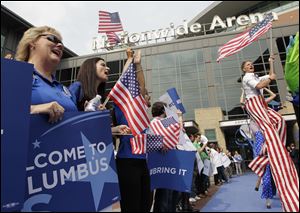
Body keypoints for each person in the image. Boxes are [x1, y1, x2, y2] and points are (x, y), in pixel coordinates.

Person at [241, 58, 299, 212]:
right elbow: (260, 85)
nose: (250, 65)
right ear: (244, 69)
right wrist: (269, 80)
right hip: (254, 104)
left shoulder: (254, 76)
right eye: (247, 65)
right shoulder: (247, 78)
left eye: (250, 64)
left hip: (261, 103)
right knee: (270, 130)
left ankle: (271, 151)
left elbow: (268, 77)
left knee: (279, 121)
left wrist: (270, 63)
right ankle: (271, 152)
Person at [112, 48, 153, 212]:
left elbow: (142, 87)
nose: (145, 96)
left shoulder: (142, 113)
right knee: (131, 206)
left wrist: (138, 64)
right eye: (143, 95)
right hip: (127, 161)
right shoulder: (124, 105)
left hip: (144, 162)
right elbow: (126, 80)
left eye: (146, 96)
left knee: (145, 204)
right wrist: (132, 61)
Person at [15, 26, 78, 121]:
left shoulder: (65, 91)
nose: (60, 46)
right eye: (53, 39)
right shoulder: (14, 75)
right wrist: (34, 109)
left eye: (61, 44)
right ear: (32, 42)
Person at [68, 57, 129, 135]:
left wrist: (115, 129)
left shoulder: (100, 98)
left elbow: (95, 129)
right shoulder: (77, 87)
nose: (108, 68)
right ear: (91, 68)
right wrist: (85, 113)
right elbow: (67, 115)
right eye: (103, 65)